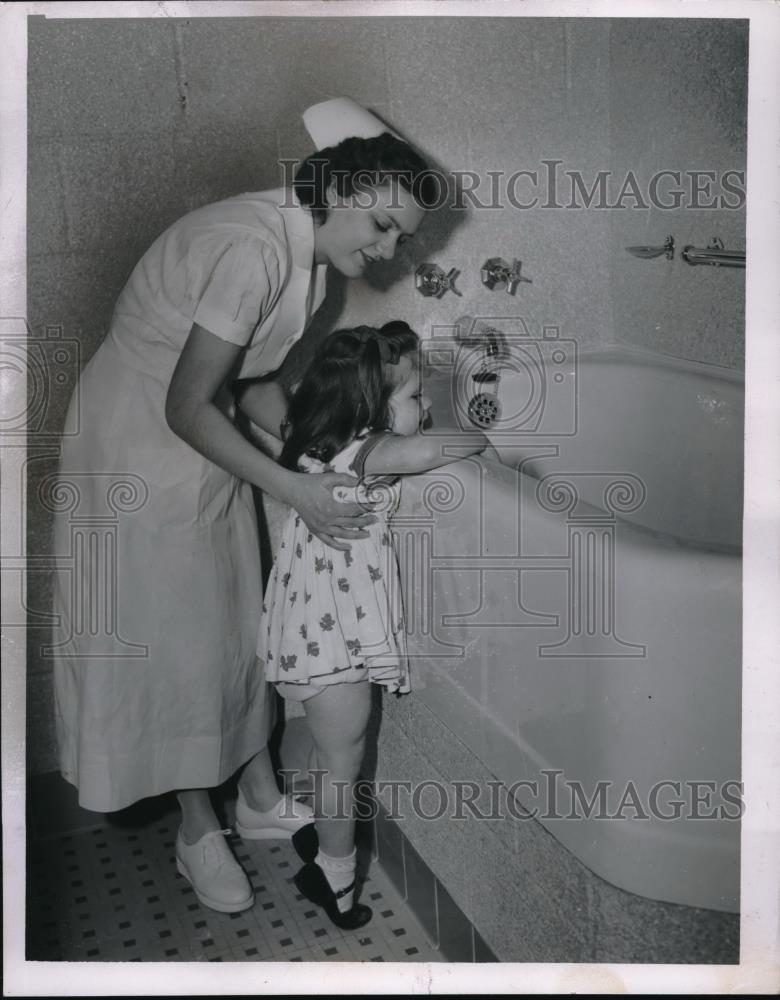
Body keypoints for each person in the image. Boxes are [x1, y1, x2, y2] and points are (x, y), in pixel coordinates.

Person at [51, 103, 437, 914]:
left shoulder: (306, 256)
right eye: (382, 222)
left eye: (402, 233)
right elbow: (188, 404)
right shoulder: (254, 249)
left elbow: (253, 382)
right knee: (180, 644)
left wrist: (311, 454)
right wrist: (295, 487)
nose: (391, 248)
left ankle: (257, 796)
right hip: (141, 450)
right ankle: (198, 831)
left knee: (232, 624)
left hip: (203, 439)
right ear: (339, 188)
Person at [252, 323, 489, 928]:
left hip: (314, 623)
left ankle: (327, 852)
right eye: (413, 398)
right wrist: (480, 427)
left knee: (339, 751)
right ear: (369, 409)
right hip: (331, 638)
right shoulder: (369, 451)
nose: (426, 406)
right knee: (344, 757)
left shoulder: (322, 439)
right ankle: (335, 875)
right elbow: (435, 450)